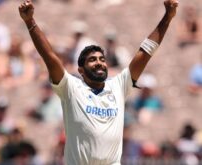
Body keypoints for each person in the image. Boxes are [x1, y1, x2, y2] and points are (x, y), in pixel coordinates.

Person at [18, 0, 178, 164]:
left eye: (102, 59)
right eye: (92, 60)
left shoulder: (118, 86)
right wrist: (30, 22)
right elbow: (50, 57)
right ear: (80, 70)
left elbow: (145, 53)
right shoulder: (71, 88)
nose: (99, 62)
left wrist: (167, 17)